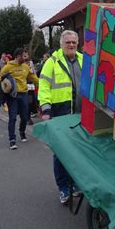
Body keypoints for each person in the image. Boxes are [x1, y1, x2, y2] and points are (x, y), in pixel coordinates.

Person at [38, 30, 83, 204]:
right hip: (59, 113)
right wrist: (46, 111)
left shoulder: (83, 59)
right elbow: (43, 86)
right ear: (61, 44)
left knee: (78, 151)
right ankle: (64, 188)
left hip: (80, 113)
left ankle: (76, 183)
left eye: (74, 42)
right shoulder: (52, 62)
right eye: (68, 42)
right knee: (60, 153)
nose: (71, 45)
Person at [0, 48, 39, 150]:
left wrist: (44, 85)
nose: (26, 58)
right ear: (18, 56)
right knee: (13, 117)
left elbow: (34, 78)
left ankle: (22, 131)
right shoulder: (7, 67)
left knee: (25, 117)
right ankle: (12, 140)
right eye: (24, 56)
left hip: (24, 94)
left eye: (26, 56)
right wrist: (1, 83)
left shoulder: (25, 67)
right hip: (12, 96)